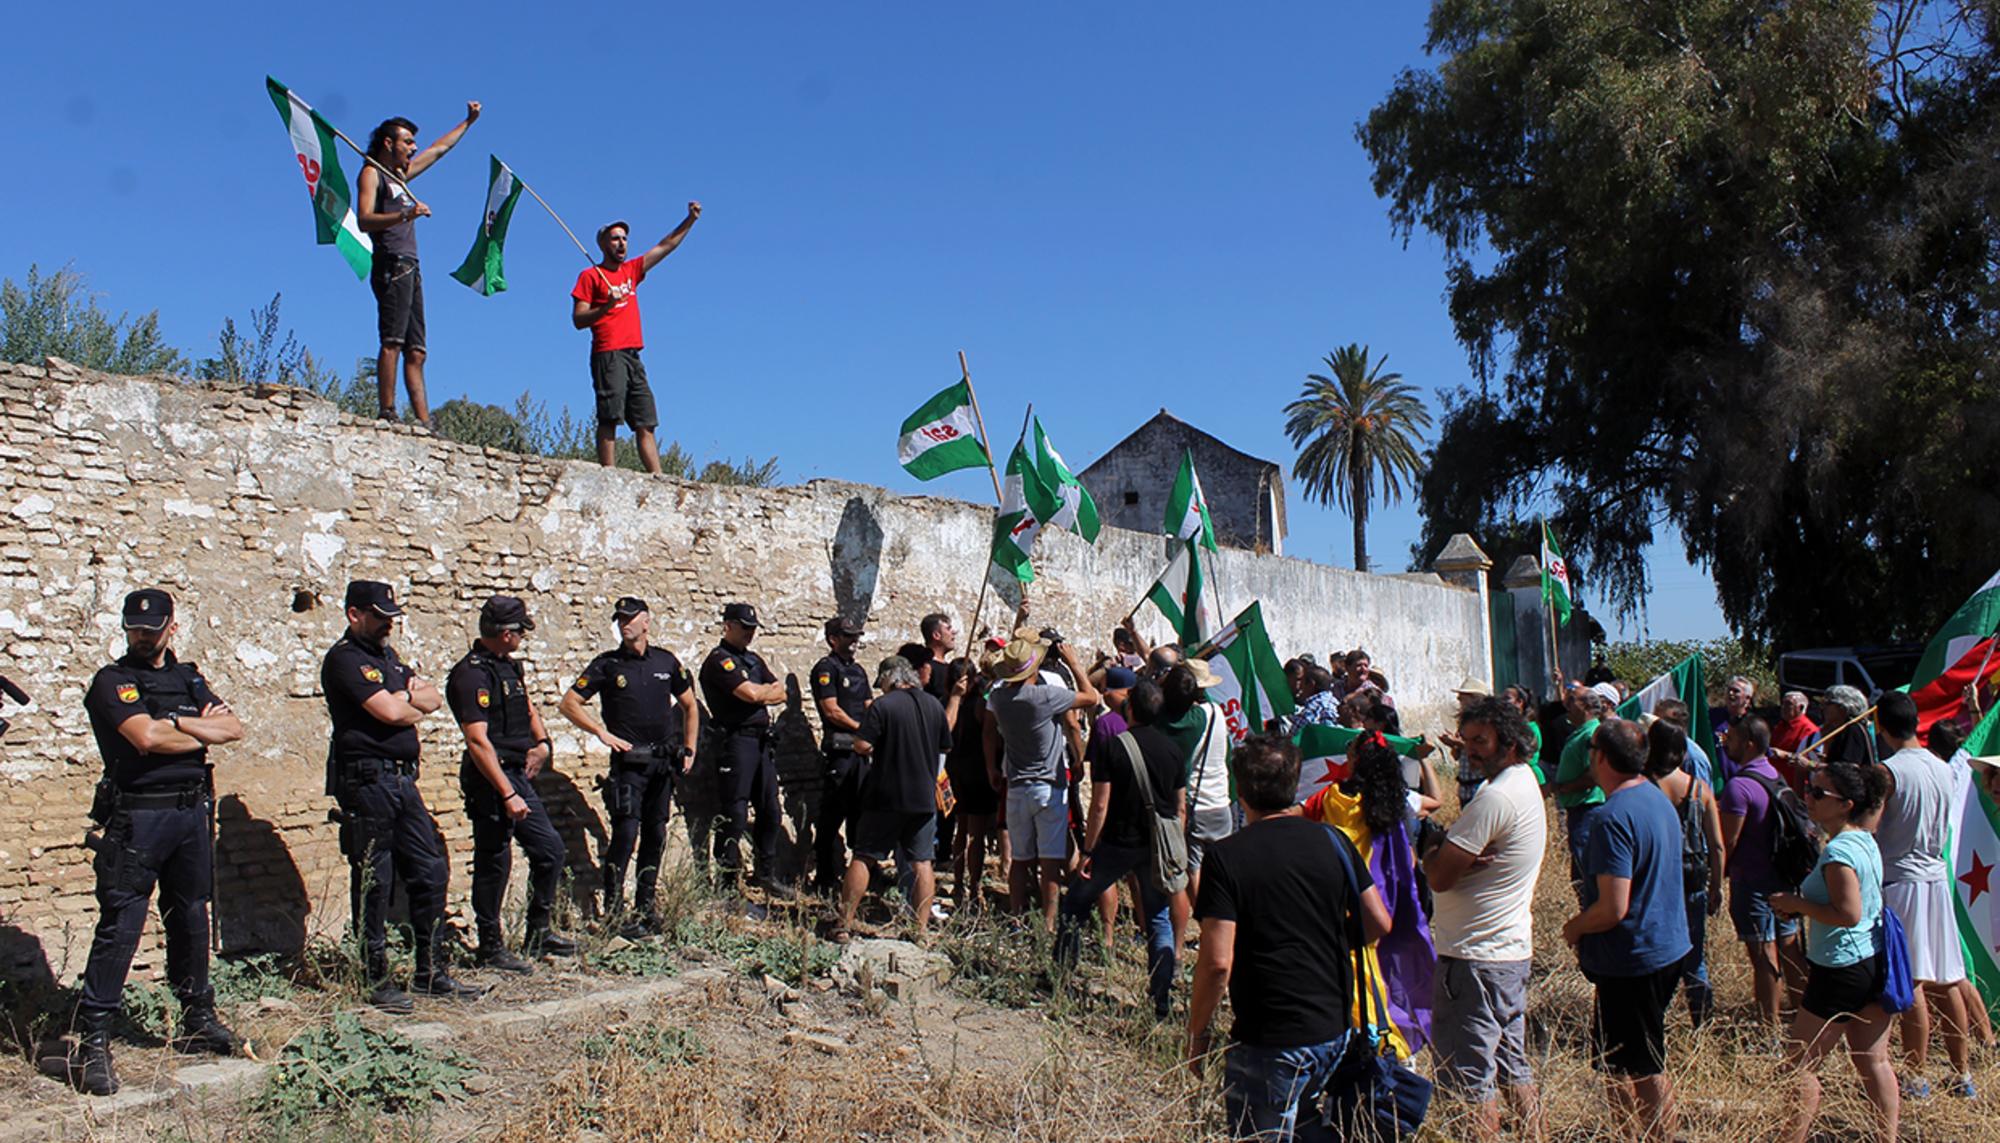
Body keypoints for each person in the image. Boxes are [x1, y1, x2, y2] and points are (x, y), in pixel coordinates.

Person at [72, 590, 245, 1095]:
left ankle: (197, 1015)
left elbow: (232, 728)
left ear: (172, 627)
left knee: (191, 913)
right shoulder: (113, 681)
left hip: (191, 809)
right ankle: (93, 1040)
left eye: (152, 628)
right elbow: (144, 738)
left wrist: (176, 722)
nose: (142, 636)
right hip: (139, 816)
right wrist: (198, 728)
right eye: (134, 628)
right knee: (122, 923)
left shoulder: (188, 677)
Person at [1186, 734, 1392, 1141]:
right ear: (1295, 785)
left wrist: (1198, 1032)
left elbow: (1217, 963)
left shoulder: (1225, 857)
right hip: (1333, 1029)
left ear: (1238, 788)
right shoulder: (1334, 841)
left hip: (1271, 1037)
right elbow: (1379, 924)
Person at [321, 581, 479, 1012]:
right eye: (379, 615)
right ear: (354, 614)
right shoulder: (345, 659)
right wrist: (405, 701)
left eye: (391, 615)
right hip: (367, 782)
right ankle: (374, 976)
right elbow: (393, 712)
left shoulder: (386, 659)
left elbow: (429, 699)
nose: (387, 623)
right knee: (375, 879)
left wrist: (403, 698)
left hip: (403, 782)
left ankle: (430, 970)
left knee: (430, 869)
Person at [1421, 696, 1547, 1141]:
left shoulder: (1494, 798)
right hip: (1507, 952)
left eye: (1481, 741)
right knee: (1513, 1066)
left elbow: (1438, 876)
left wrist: (1434, 847)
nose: (1471, 750)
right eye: (1468, 740)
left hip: (1474, 957)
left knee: (1468, 1082)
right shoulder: (1524, 781)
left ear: (1510, 744)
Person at [1560, 719, 1691, 1143]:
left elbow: (1612, 907)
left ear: (1600, 757)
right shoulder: (1656, 797)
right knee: (1627, 1061)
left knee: (1637, 1067)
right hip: (1665, 947)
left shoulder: (1611, 817)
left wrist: (1574, 927)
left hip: (1633, 958)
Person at [1770, 761, 1899, 1142]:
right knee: (1874, 1061)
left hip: (1839, 968)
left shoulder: (1841, 851)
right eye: (1810, 788)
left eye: (1819, 793)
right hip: (1871, 961)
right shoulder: (1864, 838)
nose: (1808, 797)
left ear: (1846, 804)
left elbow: (1847, 912)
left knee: (1801, 1065)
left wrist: (1796, 903)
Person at [557, 596, 699, 935]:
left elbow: (690, 705)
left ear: (646, 622)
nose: (625, 624)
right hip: (629, 765)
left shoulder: (666, 661)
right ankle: (615, 911)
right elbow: (569, 704)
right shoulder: (607, 665)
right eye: (620, 619)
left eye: (631, 618)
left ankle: (646, 907)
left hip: (662, 763)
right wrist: (600, 733)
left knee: (655, 834)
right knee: (625, 834)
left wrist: (690, 749)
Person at [447, 596, 575, 970]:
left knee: (549, 850)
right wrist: (506, 791)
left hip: (518, 773)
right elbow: (476, 740)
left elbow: (529, 709)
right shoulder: (471, 674)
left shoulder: (508, 668)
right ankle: (490, 945)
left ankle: (539, 931)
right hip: (492, 778)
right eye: (520, 631)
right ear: (505, 634)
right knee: (494, 859)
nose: (523, 637)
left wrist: (543, 745)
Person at [1302, 732, 1438, 1058]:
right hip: (1386, 897)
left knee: (1356, 973)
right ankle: (1389, 1037)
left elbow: (1304, 818)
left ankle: (1378, 1042)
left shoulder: (1332, 798)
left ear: (1355, 762)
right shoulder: (1395, 802)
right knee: (1381, 969)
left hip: (1344, 897)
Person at [1056, 679, 1187, 1019]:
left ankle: (1060, 976)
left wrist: (1087, 851)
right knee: (1158, 916)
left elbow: (1100, 804)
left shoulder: (1115, 747)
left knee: (1075, 903)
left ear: (1131, 709)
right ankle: (1161, 997)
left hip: (1117, 842)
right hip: (1154, 846)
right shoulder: (1173, 750)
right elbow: (1180, 808)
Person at [1872, 690, 1975, 1098]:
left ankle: (1916, 1074)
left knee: (1911, 977)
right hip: (1934, 877)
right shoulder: (1942, 766)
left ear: (1881, 726)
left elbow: (1873, 825)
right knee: (1947, 977)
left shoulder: (1888, 771)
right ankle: (1962, 1072)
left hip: (1903, 879)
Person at [355, 103, 481, 428]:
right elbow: (365, 220)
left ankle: (424, 421)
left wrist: (468, 121)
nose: (413, 148)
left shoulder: (401, 176)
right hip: (391, 263)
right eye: (407, 142)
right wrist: (405, 215)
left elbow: (439, 150)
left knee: (417, 350)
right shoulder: (372, 173)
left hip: (412, 265)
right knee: (393, 340)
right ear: (388, 143)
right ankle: (387, 411)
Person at [834, 656, 960, 942]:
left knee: (864, 856)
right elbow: (945, 746)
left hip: (885, 795)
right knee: (922, 861)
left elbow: (863, 745)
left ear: (891, 678)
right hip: (924, 797)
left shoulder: (883, 706)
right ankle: (921, 930)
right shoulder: (933, 706)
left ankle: (844, 923)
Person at [570, 206, 702, 472]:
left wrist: (690, 220)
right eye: (615, 238)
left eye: (624, 238)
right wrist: (606, 307)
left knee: (645, 421)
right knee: (610, 416)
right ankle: (608, 474)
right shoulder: (590, 276)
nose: (621, 243)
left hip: (633, 354)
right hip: (608, 353)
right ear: (603, 244)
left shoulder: (631, 271)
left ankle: (659, 479)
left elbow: (666, 246)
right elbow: (578, 320)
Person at [986, 630, 1099, 930]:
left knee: (1020, 859)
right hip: (1047, 784)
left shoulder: (999, 697)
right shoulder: (1045, 696)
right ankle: (1049, 922)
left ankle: (1017, 915)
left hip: (1017, 785)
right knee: (1050, 861)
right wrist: (1075, 665)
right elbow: (1091, 697)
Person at [1718, 715, 1807, 1038]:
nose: (1727, 742)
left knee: (1764, 956)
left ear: (1750, 744)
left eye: (1734, 738)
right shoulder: (1775, 778)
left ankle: (1769, 1031)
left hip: (1752, 882)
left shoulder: (1739, 786)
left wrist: (1718, 879)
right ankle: (1802, 1021)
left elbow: (1728, 841)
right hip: (1784, 878)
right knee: (1791, 949)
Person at [698, 602, 791, 894]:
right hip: (736, 741)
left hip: (761, 741)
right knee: (735, 814)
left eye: (752, 628)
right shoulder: (719, 661)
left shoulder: (752, 660)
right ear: (728, 626)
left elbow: (782, 690)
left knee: (770, 810)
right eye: (744, 627)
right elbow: (749, 693)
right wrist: (763, 693)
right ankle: (726, 882)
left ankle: (766, 874)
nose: (749, 633)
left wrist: (762, 694)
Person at [1645, 717, 1723, 1028]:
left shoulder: (1646, 788)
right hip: (1693, 877)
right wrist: (1716, 886)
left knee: (1656, 956)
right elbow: (1716, 845)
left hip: (1656, 880)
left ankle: (1653, 1021)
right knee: (1696, 960)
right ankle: (1702, 1024)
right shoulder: (1699, 789)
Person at [808, 617, 870, 895]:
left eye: (855, 635)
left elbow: (868, 704)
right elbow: (831, 710)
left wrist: (876, 727)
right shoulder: (826, 668)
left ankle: (860, 873)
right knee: (833, 814)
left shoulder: (857, 670)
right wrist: (862, 728)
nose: (854, 640)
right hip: (841, 750)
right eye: (848, 636)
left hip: (861, 752)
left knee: (861, 812)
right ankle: (824, 875)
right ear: (833, 638)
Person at [942, 656, 1000, 913]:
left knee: (961, 830)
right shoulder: (979, 704)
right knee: (974, 835)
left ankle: (958, 883)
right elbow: (990, 735)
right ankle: (973, 887)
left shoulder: (953, 703)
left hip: (957, 769)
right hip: (976, 771)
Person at [1548, 684, 1614, 894]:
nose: (1566, 705)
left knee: (1586, 872)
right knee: (1580, 870)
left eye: (1571, 700)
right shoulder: (1582, 732)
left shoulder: (1591, 734)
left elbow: (1593, 775)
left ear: (1585, 706)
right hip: (1579, 810)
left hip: (1588, 810)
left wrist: (1563, 787)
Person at [1437, 676, 1493, 806]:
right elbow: (1457, 756)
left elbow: (1483, 749)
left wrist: (1457, 743)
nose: (1458, 699)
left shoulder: (1486, 723)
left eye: (1462, 697)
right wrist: (1454, 745)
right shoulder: (1464, 724)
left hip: (1480, 784)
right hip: (1465, 785)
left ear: (1474, 698)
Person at [1768, 690, 1822, 791]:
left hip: (1792, 785)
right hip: (1774, 780)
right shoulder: (1781, 725)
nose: (1783, 707)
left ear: (1800, 708)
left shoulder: (1810, 730)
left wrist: (1785, 755)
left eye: (1788, 704)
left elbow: (1809, 761)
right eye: (1783, 703)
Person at [1712, 674, 1756, 750]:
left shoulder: (1753, 724)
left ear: (1747, 698)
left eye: (1736, 691)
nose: (1730, 693)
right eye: (1729, 690)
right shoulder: (1712, 716)